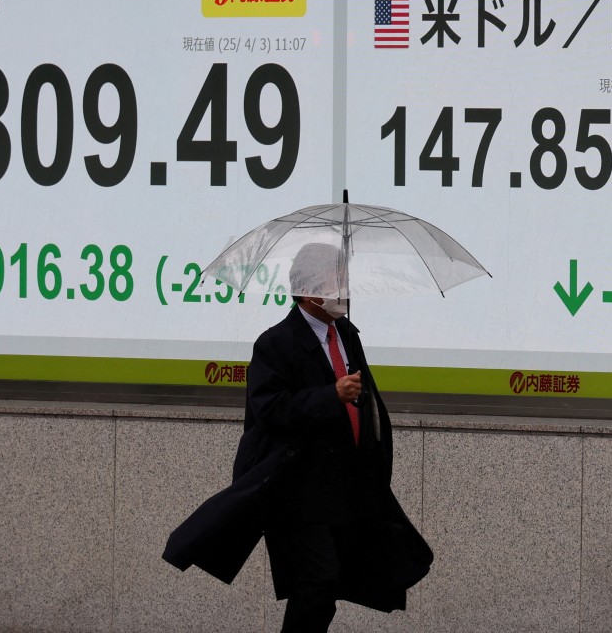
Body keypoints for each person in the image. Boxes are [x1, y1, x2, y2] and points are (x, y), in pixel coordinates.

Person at [164, 243, 433, 631]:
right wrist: (330, 396)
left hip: (344, 487)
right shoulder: (276, 343)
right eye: (336, 281)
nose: (345, 290)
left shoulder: (346, 334)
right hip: (297, 491)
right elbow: (270, 411)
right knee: (317, 578)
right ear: (310, 291)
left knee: (331, 584)